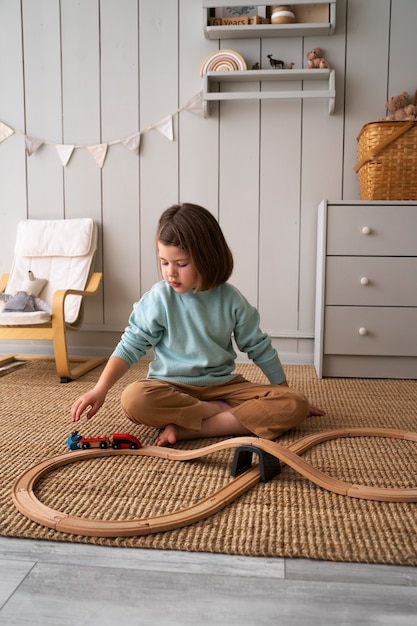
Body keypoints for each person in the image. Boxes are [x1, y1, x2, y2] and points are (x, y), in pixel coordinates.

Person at [71, 203, 324, 446]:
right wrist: (100, 389)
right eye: (164, 262)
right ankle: (216, 412)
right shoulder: (159, 298)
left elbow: (258, 347)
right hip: (170, 387)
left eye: (181, 264)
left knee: (294, 404)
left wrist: (285, 392)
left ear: (207, 257)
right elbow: (130, 346)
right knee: (134, 399)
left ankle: (191, 428)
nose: (170, 273)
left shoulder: (231, 299)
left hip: (223, 387)